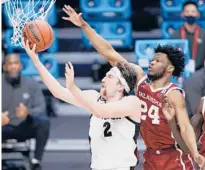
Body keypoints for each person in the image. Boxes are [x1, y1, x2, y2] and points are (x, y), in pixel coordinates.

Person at [61, 5, 205, 169]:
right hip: (150, 155)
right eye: (153, 59)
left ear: (169, 69)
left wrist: (195, 154)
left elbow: (185, 127)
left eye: (158, 61)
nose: (152, 62)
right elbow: (108, 52)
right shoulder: (140, 80)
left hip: (173, 157)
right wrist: (84, 26)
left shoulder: (173, 94)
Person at [22, 39, 142, 170]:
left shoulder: (132, 103)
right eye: (105, 75)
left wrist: (73, 88)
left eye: (110, 77)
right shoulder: (93, 97)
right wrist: (36, 61)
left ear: (121, 86)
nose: (103, 79)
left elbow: (101, 111)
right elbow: (58, 92)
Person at [2, 54, 50, 170]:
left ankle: (36, 161)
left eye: (16, 63)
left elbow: (41, 108)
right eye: (10, 64)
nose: (13, 67)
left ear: (21, 66)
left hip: (23, 125)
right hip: (3, 127)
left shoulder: (32, 84)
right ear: (4, 67)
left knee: (43, 123)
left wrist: (28, 112)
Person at [171, 1, 205, 71]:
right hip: (181, 73)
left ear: (198, 14)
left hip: (200, 73)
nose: (190, 14)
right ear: (182, 14)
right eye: (187, 11)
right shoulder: (175, 35)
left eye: (193, 11)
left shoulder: (203, 33)